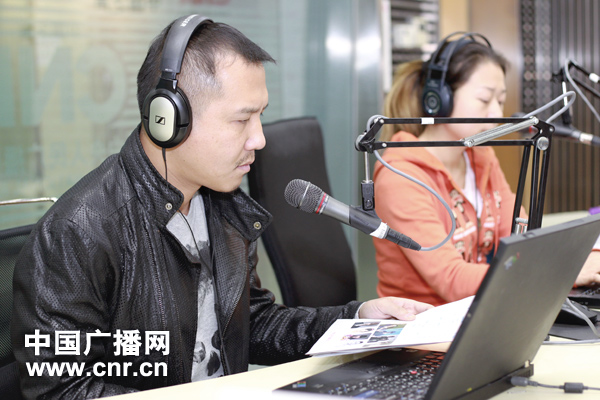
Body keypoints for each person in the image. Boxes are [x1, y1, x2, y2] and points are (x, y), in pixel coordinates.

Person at [10, 15, 432, 399]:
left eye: (260, 116)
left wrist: (358, 320)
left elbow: (252, 324)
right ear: (167, 119)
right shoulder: (79, 230)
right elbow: (58, 389)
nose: (259, 139)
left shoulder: (221, 204)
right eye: (241, 120)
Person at [373, 32, 600, 307]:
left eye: (500, 101)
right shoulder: (400, 177)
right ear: (440, 99)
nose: (496, 113)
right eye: (484, 99)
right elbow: (452, 280)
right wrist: (562, 272)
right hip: (421, 324)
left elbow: (520, 239)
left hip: (483, 310)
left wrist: (583, 257)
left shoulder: (481, 158)